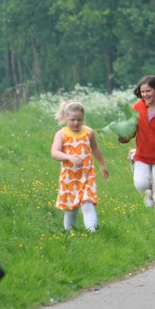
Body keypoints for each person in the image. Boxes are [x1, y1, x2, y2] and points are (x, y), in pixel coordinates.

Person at [119, 75, 155, 222]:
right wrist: (123, 136)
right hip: (142, 154)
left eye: (148, 91)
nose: (145, 95)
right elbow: (131, 130)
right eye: (143, 92)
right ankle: (150, 189)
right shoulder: (136, 108)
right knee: (141, 185)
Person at [51, 100, 108, 233]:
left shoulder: (89, 132)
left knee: (87, 202)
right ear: (65, 118)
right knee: (71, 208)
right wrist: (68, 157)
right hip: (69, 178)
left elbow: (95, 148)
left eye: (79, 119)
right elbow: (54, 153)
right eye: (72, 120)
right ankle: (69, 233)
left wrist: (103, 164)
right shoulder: (62, 134)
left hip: (87, 175)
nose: (76, 123)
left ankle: (92, 231)